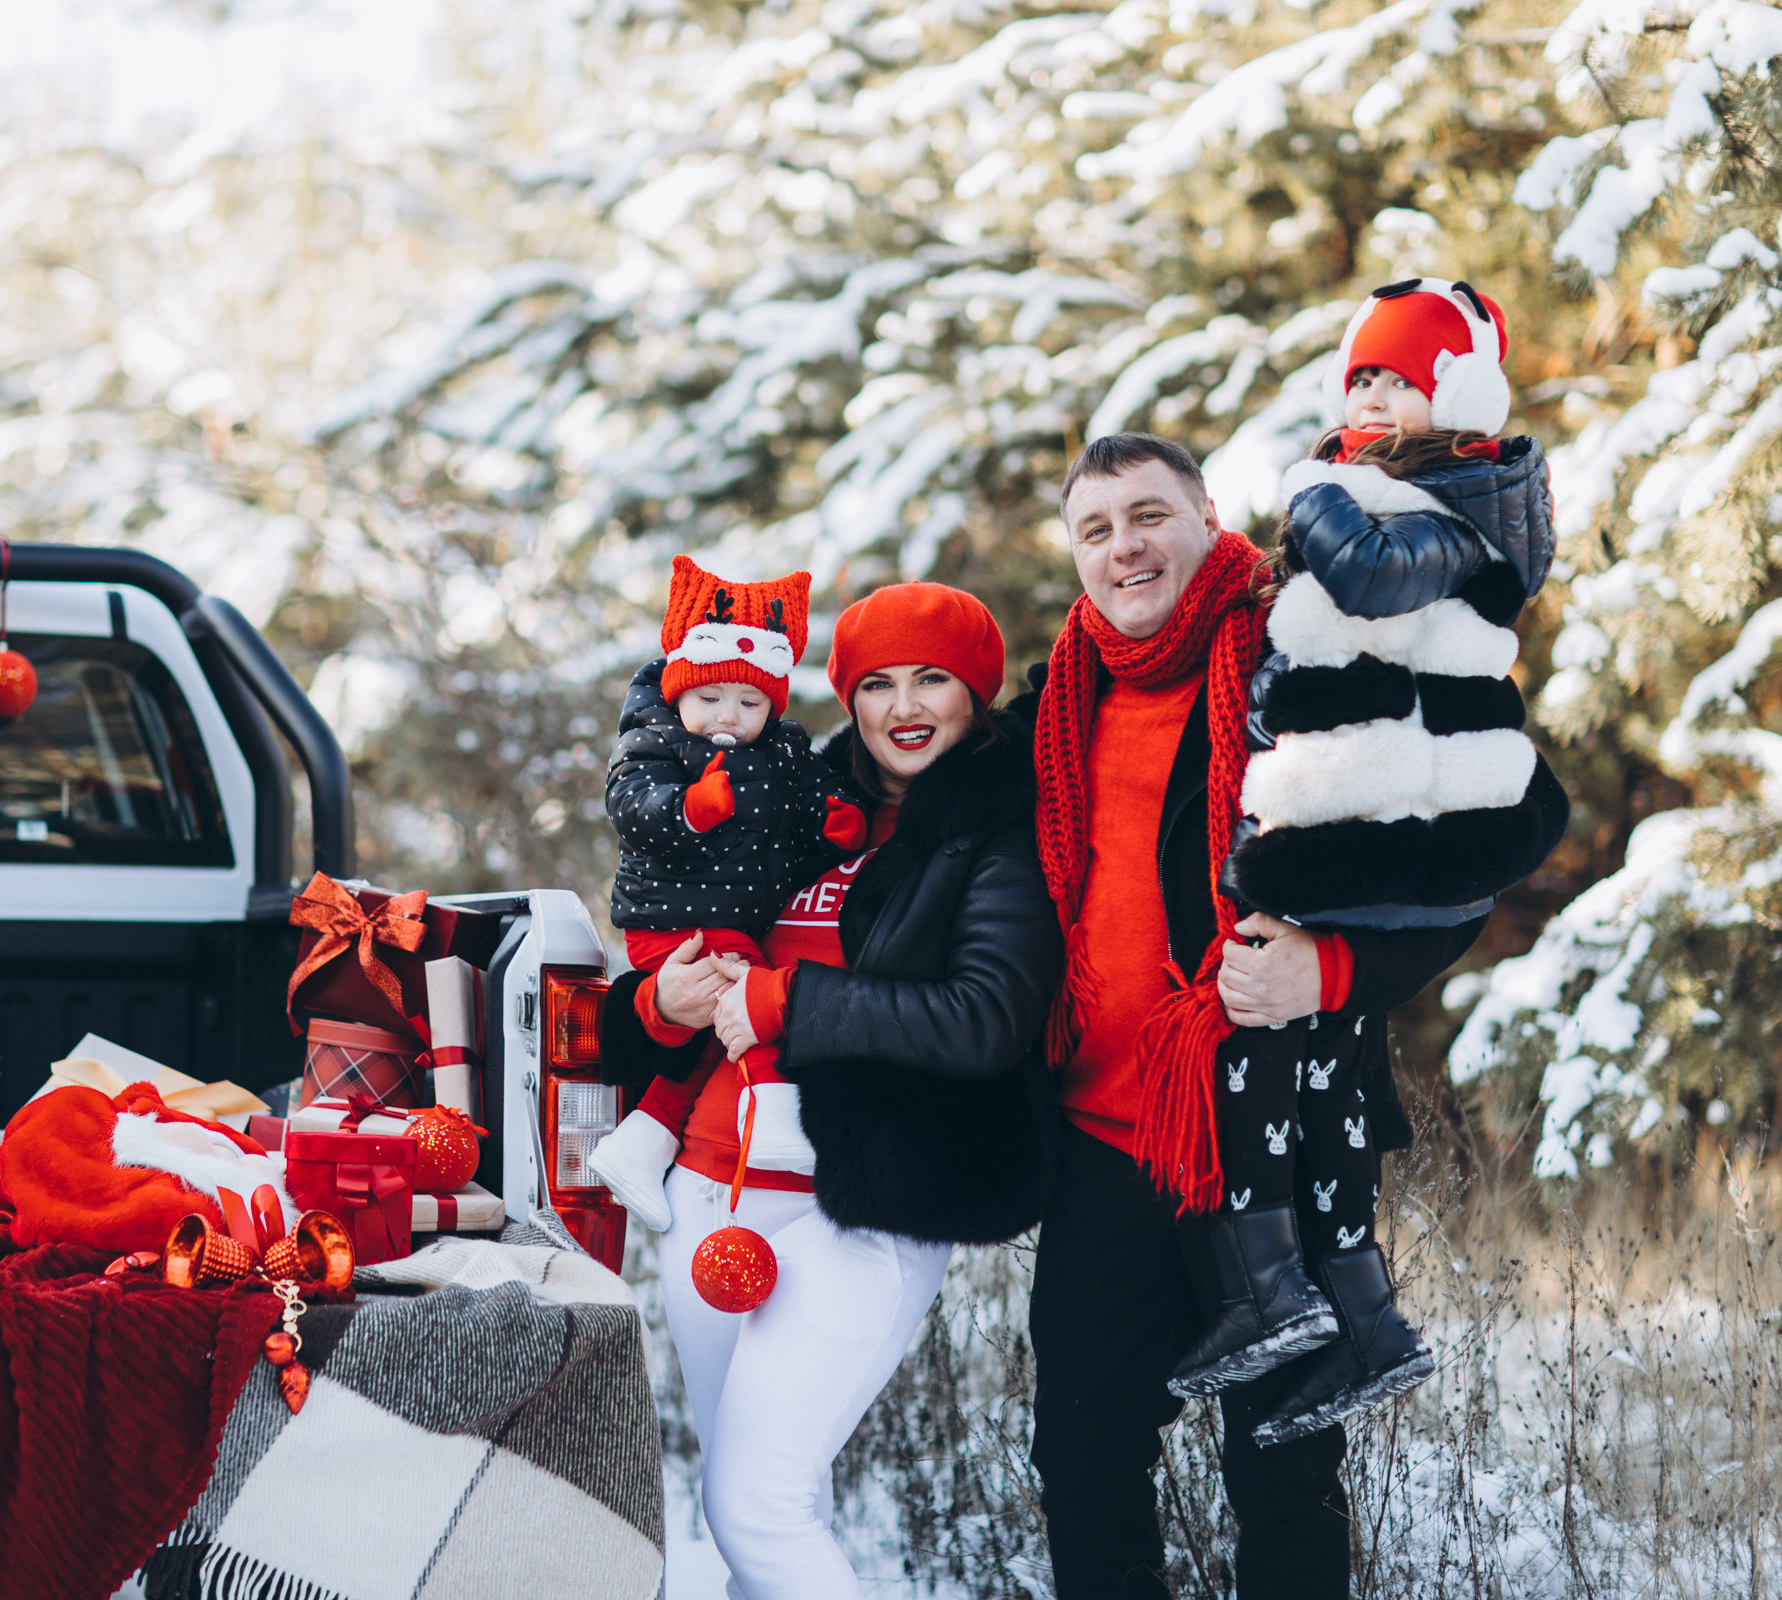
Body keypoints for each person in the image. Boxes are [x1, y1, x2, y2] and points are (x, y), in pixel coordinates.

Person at [1028, 431, 1501, 1599]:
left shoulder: (1312, 656)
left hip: (1273, 1143)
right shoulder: (1057, 698)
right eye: (1096, 529)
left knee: (1284, 1469)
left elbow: (1469, 863)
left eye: (1148, 516)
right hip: (1103, 1152)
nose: (1124, 548)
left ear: (1204, 513)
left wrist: (1328, 969)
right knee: (1082, 1461)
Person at [596, 581, 1062, 1600]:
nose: (906, 704)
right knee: (737, 1514)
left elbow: (985, 1015)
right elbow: (686, 940)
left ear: (975, 693)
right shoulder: (793, 801)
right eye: (879, 681)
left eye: (934, 679)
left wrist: (785, 1001)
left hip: (859, 1208)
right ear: (844, 695)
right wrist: (660, 1002)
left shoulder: (996, 832)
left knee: (757, 1506)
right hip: (707, 1194)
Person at [1179, 278, 1570, 1442]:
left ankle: (1270, 1289)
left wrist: (1315, 496)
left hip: (1380, 813)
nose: (1376, 398)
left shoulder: (1462, 501)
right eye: (1362, 378)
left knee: (1263, 1033)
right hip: (1378, 798)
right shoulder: (1417, 495)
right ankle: (1361, 1317)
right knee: (1327, 1067)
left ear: (1456, 395)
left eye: (1402, 379)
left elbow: (1364, 577)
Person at [590, 556, 869, 1220]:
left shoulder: (781, 752)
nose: (729, 716)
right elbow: (633, 804)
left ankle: (643, 1141)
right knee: (751, 994)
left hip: (734, 917)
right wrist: (688, 810)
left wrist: (834, 824)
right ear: (680, 691)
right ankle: (772, 1118)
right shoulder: (658, 743)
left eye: (749, 703)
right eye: (710, 697)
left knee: (714, 1029)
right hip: (672, 918)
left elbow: (806, 811)